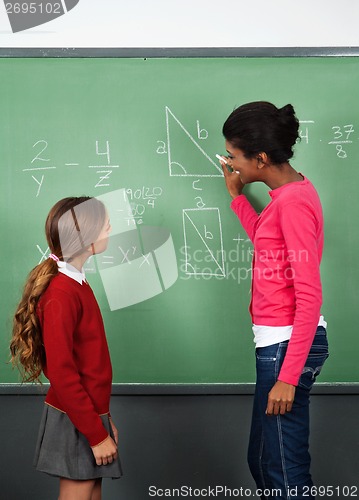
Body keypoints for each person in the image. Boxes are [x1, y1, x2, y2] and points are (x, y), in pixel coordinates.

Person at [218, 102, 329, 500]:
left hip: (287, 348)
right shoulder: (287, 196)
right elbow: (270, 246)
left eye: (234, 156)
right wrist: (238, 198)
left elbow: (309, 294)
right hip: (278, 343)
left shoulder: (294, 203)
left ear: (260, 159)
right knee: (264, 460)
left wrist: (287, 377)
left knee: (285, 472)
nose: (231, 163)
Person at [10, 196, 122, 500]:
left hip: (87, 414)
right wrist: (96, 434)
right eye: (104, 224)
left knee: (91, 493)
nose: (110, 227)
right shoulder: (61, 292)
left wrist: (103, 417)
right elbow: (61, 372)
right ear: (85, 237)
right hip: (75, 417)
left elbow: (86, 363)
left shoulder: (78, 283)